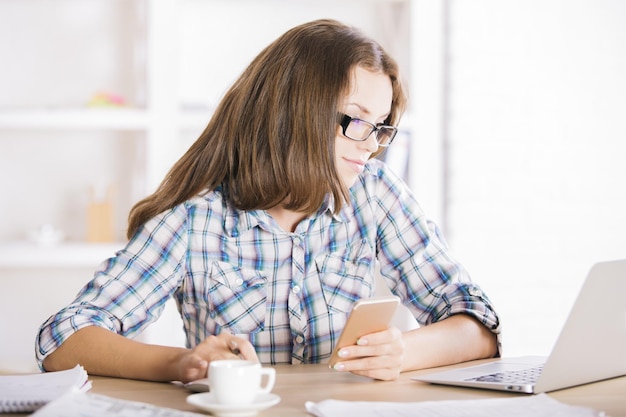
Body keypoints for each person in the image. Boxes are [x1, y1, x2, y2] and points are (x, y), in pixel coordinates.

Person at [36, 19, 500, 383]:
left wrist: (406, 350)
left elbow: (477, 324)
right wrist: (183, 364)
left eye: (379, 126)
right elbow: (64, 338)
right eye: (356, 121)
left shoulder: (374, 191)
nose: (371, 144)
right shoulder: (197, 217)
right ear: (298, 111)